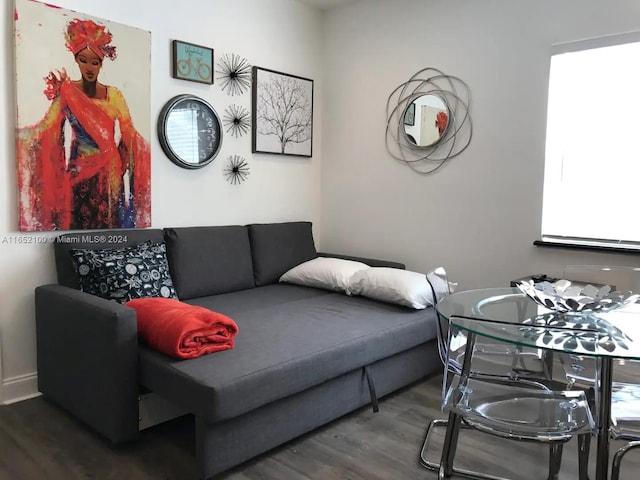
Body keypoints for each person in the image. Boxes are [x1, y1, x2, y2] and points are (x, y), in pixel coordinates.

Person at [17, 18, 150, 231]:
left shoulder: (114, 96)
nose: (89, 67)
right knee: (77, 227)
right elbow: (47, 128)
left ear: (101, 63)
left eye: (94, 62)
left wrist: (120, 165)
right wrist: (17, 137)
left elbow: (128, 135)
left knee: (109, 231)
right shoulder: (67, 92)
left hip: (109, 173)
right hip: (78, 172)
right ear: (76, 60)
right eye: (83, 60)